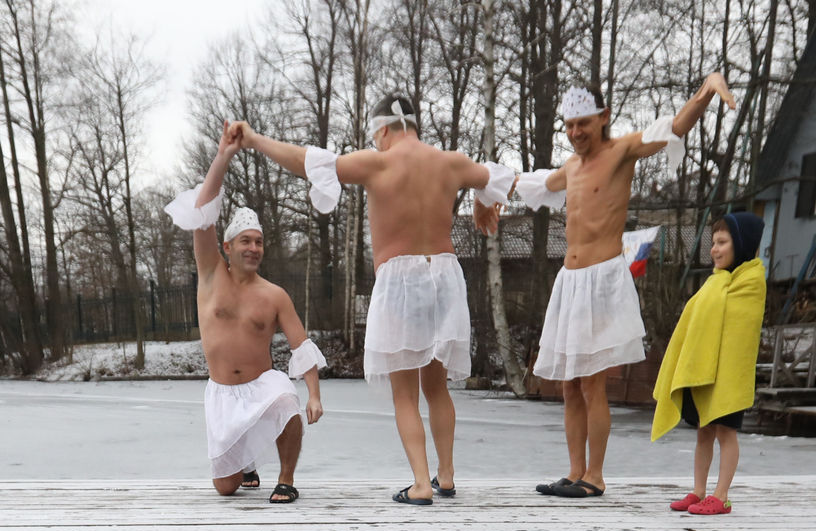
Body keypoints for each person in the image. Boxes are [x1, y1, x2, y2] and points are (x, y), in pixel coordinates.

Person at [230, 95, 515, 507]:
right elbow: (500, 178)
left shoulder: (379, 162)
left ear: (383, 130)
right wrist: (482, 199)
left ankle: (420, 482)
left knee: (405, 393)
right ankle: (446, 476)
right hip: (445, 276)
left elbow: (307, 161)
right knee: (437, 388)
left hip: (402, 279)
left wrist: (254, 139)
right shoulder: (451, 162)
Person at [517, 75, 737, 499]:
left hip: (603, 280)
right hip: (570, 283)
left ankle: (595, 476)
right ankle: (575, 470)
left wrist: (707, 91)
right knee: (568, 384)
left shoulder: (621, 152)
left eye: (582, 123)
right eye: (569, 125)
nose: (575, 132)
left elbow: (673, 128)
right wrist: (482, 193)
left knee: (592, 383)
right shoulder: (570, 168)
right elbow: (532, 184)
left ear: (603, 118)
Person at [164, 125, 325, 504]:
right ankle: (246, 460)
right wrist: (223, 156)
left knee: (286, 400)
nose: (253, 248)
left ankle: (285, 479)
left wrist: (314, 394)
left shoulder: (274, 295)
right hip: (221, 393)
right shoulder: (210, 273)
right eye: (245, 241)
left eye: (259, 241)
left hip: (260, 385)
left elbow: (301, 346)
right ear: (227, 246)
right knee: (226, 488)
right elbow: (203, 211)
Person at [652, 212, 766, 515]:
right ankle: (699, 491)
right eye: (713, 243)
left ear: (741, 244)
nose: (714, 249)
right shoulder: (716, 282)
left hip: (729, 373)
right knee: (703, 431)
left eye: (722, 242)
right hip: (704, 370)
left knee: (726, 433)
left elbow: (741, 331)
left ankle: (722, 495)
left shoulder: (751, 282)